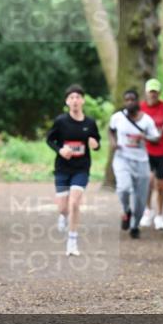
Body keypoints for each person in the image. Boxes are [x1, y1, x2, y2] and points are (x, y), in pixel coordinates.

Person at [45, 85, 100, 256]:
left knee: (74, 203)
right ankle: (63, 216)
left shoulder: (90, 123)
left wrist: (95, 144)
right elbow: (49, 140)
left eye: (78, 97)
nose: (75, 100)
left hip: (81, 169)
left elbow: (97, 142)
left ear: (83, 100)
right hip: (62, 169)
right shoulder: (61, 121)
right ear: (67, 101)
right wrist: (60, 149)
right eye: (71, 98)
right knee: (63, 208)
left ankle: (72, 241)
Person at [108, 88, 160, 239]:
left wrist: (145, 137)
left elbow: (156, 138)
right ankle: (126, 210)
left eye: (132, 100)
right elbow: (110, 130)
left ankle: (135, 225)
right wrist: (113, 142)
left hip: (142, 161)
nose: (129, 103)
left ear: (138, 101)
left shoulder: (147, 120)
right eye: (127, 100)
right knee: (123, 188)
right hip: (122, 158)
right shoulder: (117, 117)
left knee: (140, 198)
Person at [139, 78, 163, 230]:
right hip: (145, 150)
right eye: (151, 91)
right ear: (146, 92)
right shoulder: (140, 108)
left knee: (160, 184)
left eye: (155, 92)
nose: (153, 94)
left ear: (159, 93)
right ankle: (148, 210)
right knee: (148, 181)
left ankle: (160, 215)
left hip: (161, 150)